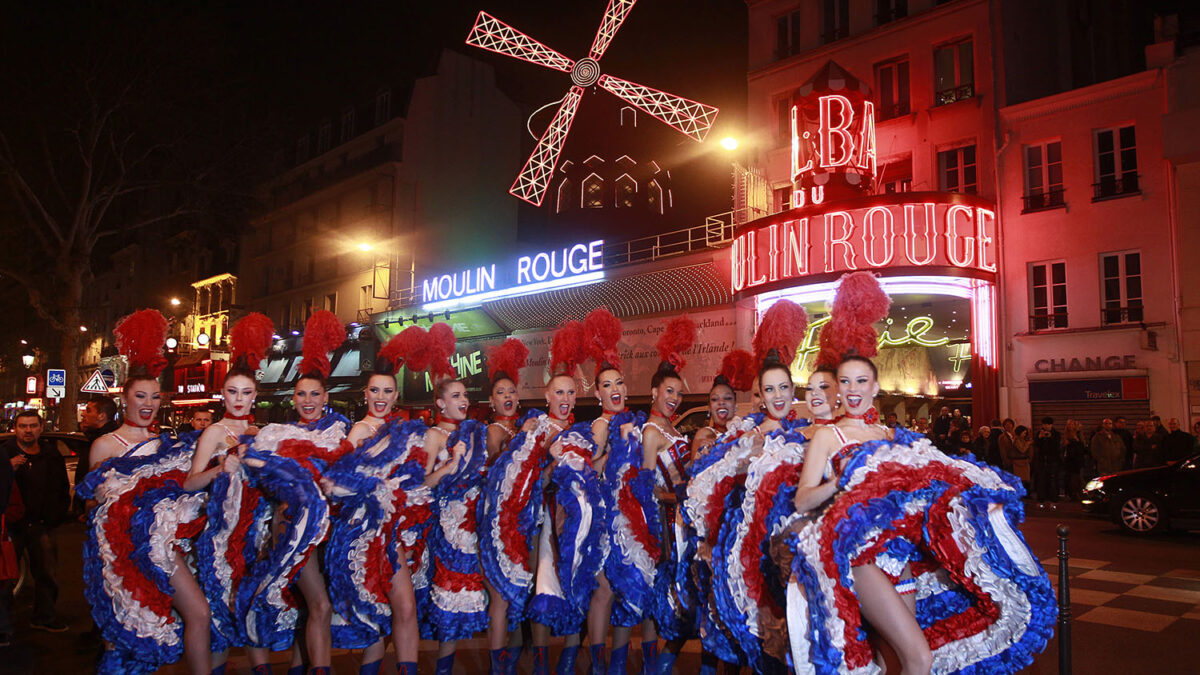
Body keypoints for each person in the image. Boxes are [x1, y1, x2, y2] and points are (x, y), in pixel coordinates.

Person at [80, 309, 211, 674]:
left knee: (198, 612)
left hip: (165, 548)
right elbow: (94, 505)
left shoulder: (163, 444)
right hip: (121, 555)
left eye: (155, 396)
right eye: (141, 396)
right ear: (125, 399)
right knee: (129, 631)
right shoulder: (105, 445)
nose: (149, 403)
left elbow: (183, 491)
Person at [184, 312, 274, 675]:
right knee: (221, 617)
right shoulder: (214, 432)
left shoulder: (262, 432)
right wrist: (220, 468)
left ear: (256, 396)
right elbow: (190, 482)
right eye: (232, 392)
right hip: (222, 538)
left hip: (258, 535)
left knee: (255, 616)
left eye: (246, 392)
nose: (239, 399)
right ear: (223, 394)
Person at [479, 337, 529, 674]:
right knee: (499, 599)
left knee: (513, 596)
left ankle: (509, 663)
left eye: (512, 391)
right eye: (501, 393)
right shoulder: (495, 431)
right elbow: (500, 471)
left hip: (521, 520)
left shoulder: (521, 429)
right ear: (491, 400)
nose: (508, 397)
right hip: (498, 523)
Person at [2, 409, 71, 636]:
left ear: (41, 428)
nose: (28, 430)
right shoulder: (5, 454)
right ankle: (5, 624)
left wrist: (57, 514)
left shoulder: (50, 454)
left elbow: (61, 487)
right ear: (16, 429)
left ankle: (44, 617)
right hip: (12, 526)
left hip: (42, 524)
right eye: (23, 426)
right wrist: (7, 470)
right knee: (6, 577)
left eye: (33, 426)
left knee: (47, 573)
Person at [73, 396, 120, 516]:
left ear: (101, 416)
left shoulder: (107, 442)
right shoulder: (94, 438)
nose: (83, 414)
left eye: (88, 410)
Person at [1032, 417, 1061, 506]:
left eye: (1048, 424)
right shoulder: (1039, 433)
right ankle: (1041, 500)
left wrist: (1050, 437)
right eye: (1044, 424)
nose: (1046, 426)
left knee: (1053, 481)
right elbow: (1036, 445)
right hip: (1041, 461)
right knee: (1041, 481)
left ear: (1051, 425)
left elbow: (1056, 446)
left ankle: (1053, 500)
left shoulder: (1056, 434)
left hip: (1053, 461)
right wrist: (1040, 438)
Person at [1062, 420, 1088, 500]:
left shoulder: (1079, 435)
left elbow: (1082, 447)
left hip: (1078, 460)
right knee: (1072, 477)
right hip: (1070, 460)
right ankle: (1072, 493)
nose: (1070, 426)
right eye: (1069, 424)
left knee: (1078, 477)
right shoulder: (1067, 436)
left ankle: (1078, 493)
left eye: (1072, 424)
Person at [1011, 425, 1033, 494]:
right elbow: (1022, 449)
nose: (1025, 434)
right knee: (1022, 479)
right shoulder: (1017, 440)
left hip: (1024, 462)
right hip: (1019, 462)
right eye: (1024, 433)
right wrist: (1028, 443)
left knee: (1025, 479)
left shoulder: (1023, 439)